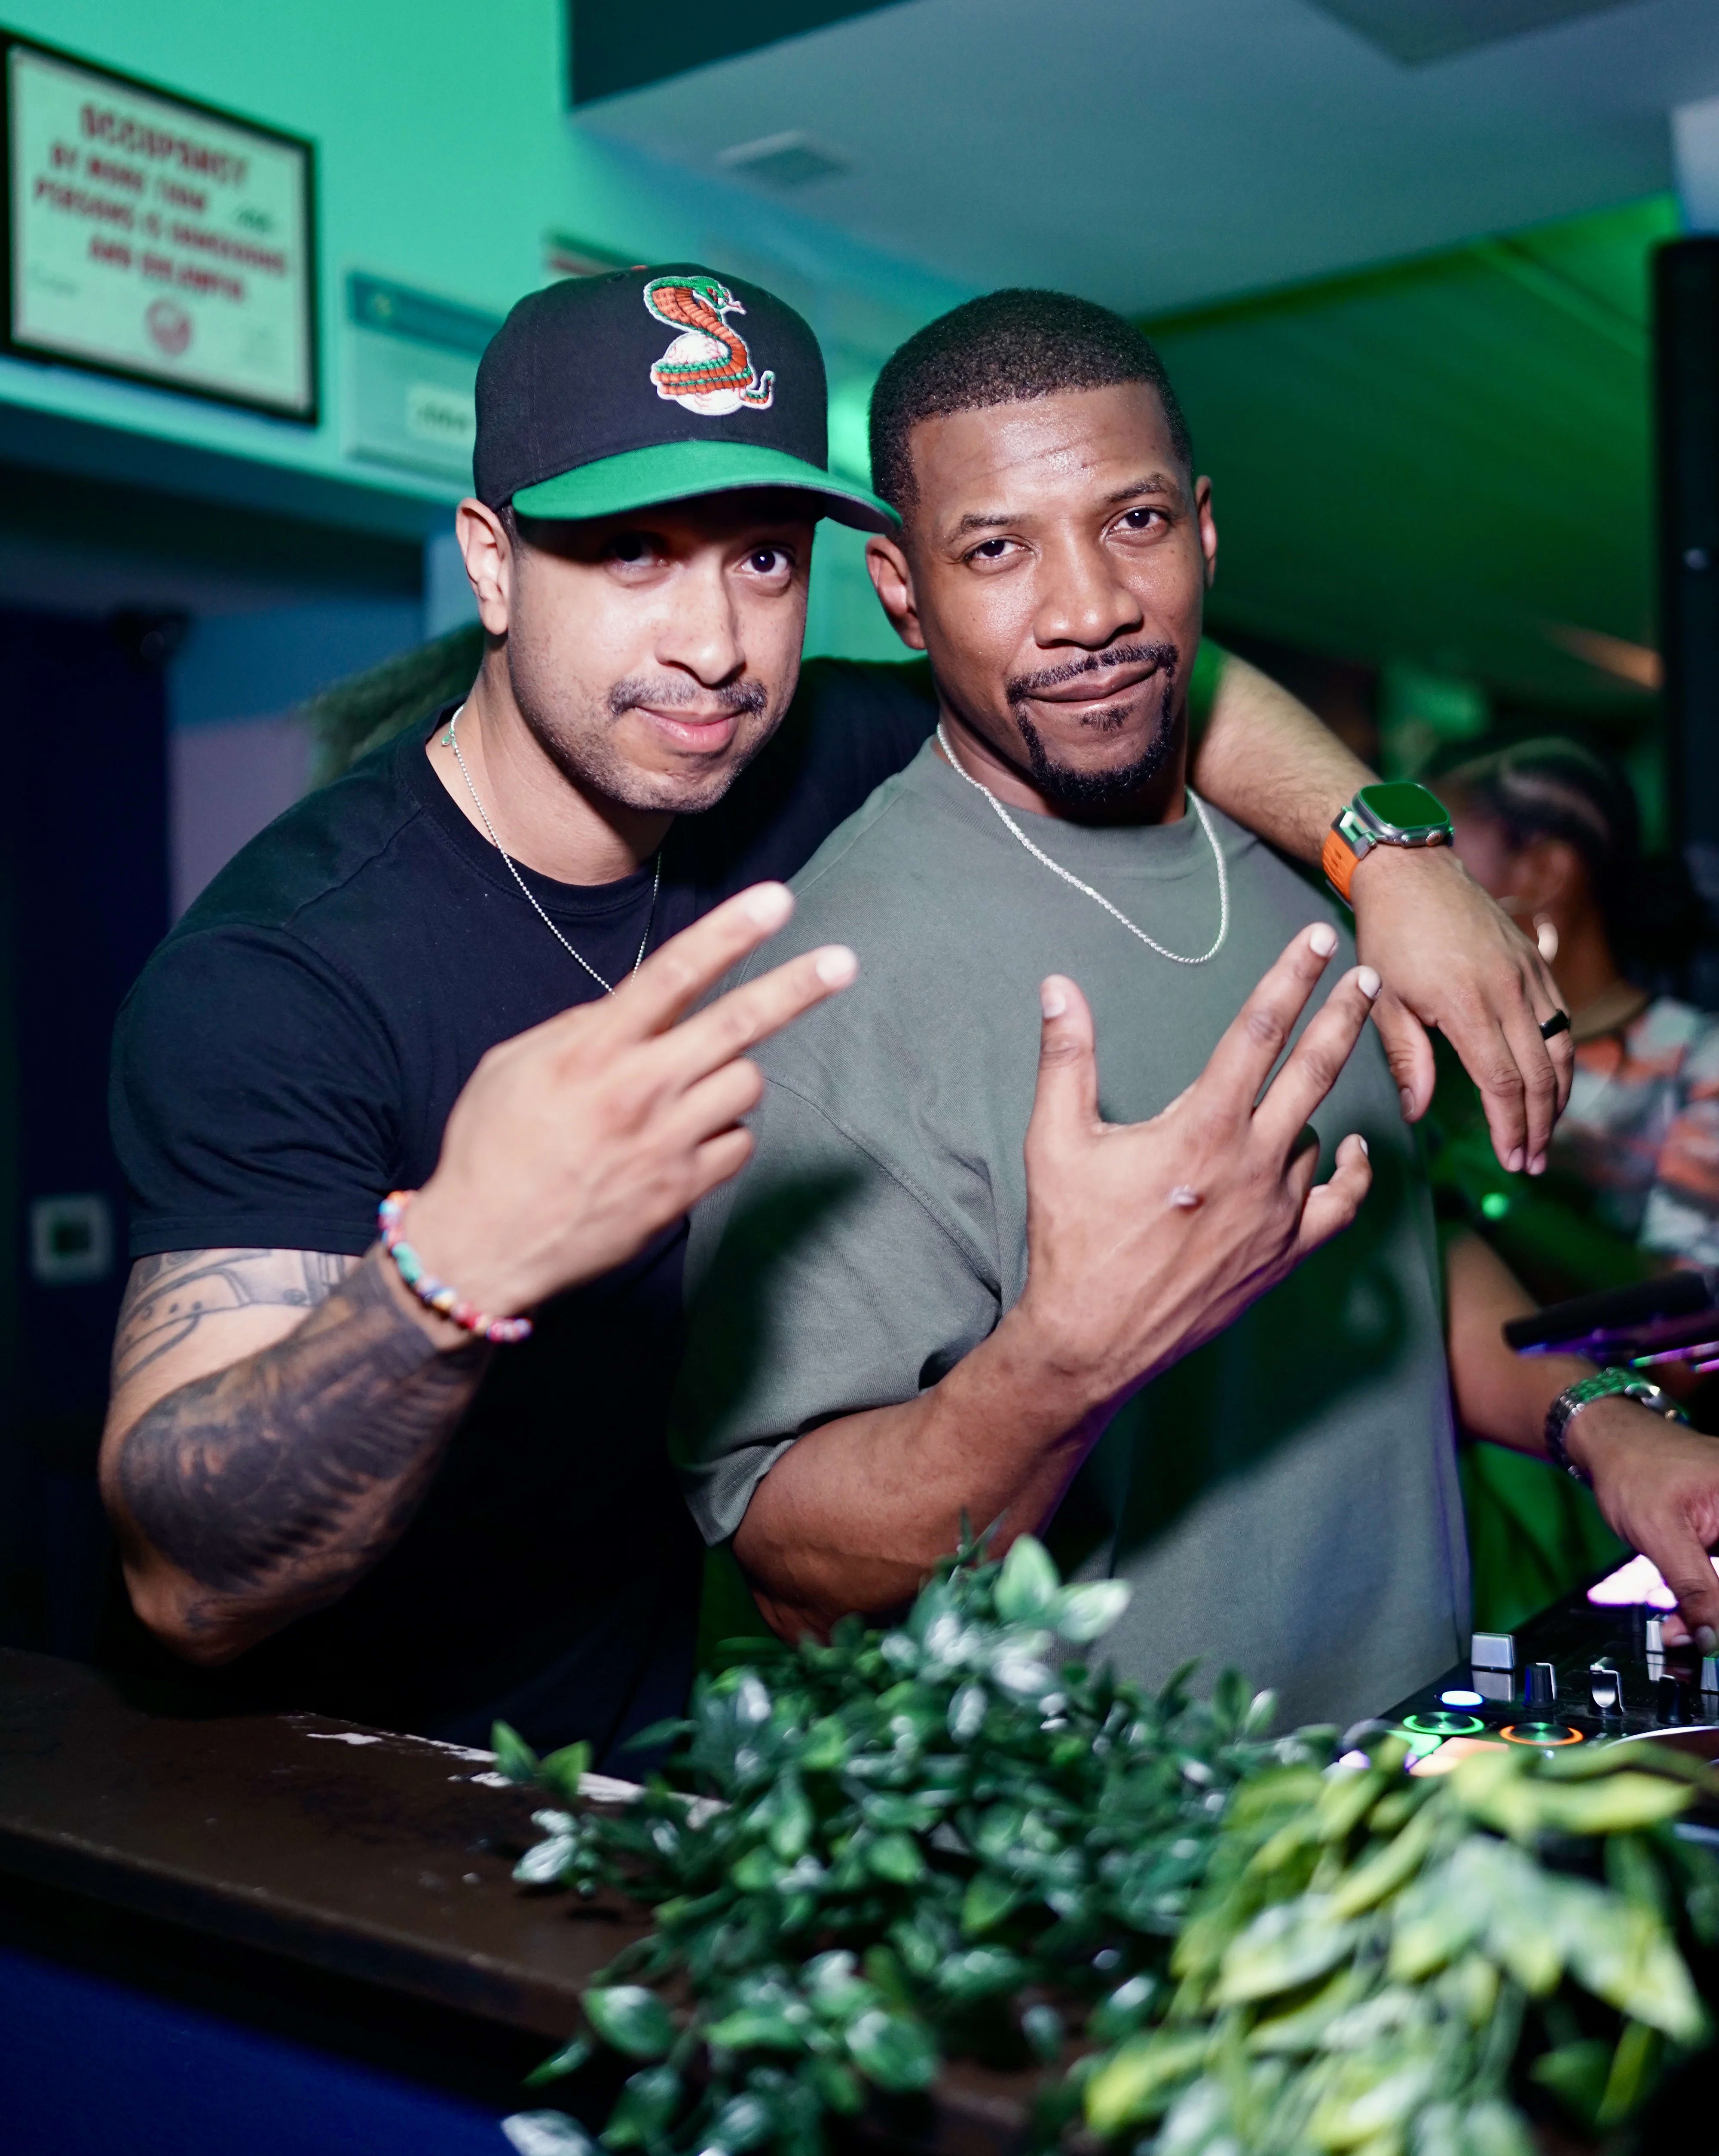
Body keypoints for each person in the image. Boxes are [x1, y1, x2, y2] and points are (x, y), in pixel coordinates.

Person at [103, 268, 1574, 1767]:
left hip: (699, 1765)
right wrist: (451, 1270)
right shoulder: (286, 978)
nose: (713, 642)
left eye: (761, 558)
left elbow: (1132, 665)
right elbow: (187, 1591)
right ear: (492, 564)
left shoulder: (777, 750)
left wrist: (1391, 852)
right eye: (631, 554)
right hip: (391, 1794)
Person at [674, 290, 1719, 1725]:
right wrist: (1074, 1354)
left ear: (1205, 530)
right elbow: (799, 1574)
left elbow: (1382, 1237)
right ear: (903, 592)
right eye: (996, 550)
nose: (1091, 609)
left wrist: (1601, 1424)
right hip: (1120, 1842)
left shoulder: (1319, 865)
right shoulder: (838, 985)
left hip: (1411, 1779)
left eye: (1135, 521)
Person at [1428, 734, 1719, 1632]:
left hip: (1613, 1509)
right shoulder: (1428, 1050)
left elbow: (1687, 1341)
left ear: (1545, 872)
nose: (1410, 879)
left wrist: (1478, 1186)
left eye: (1441, 849)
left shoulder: (1694, 1059)